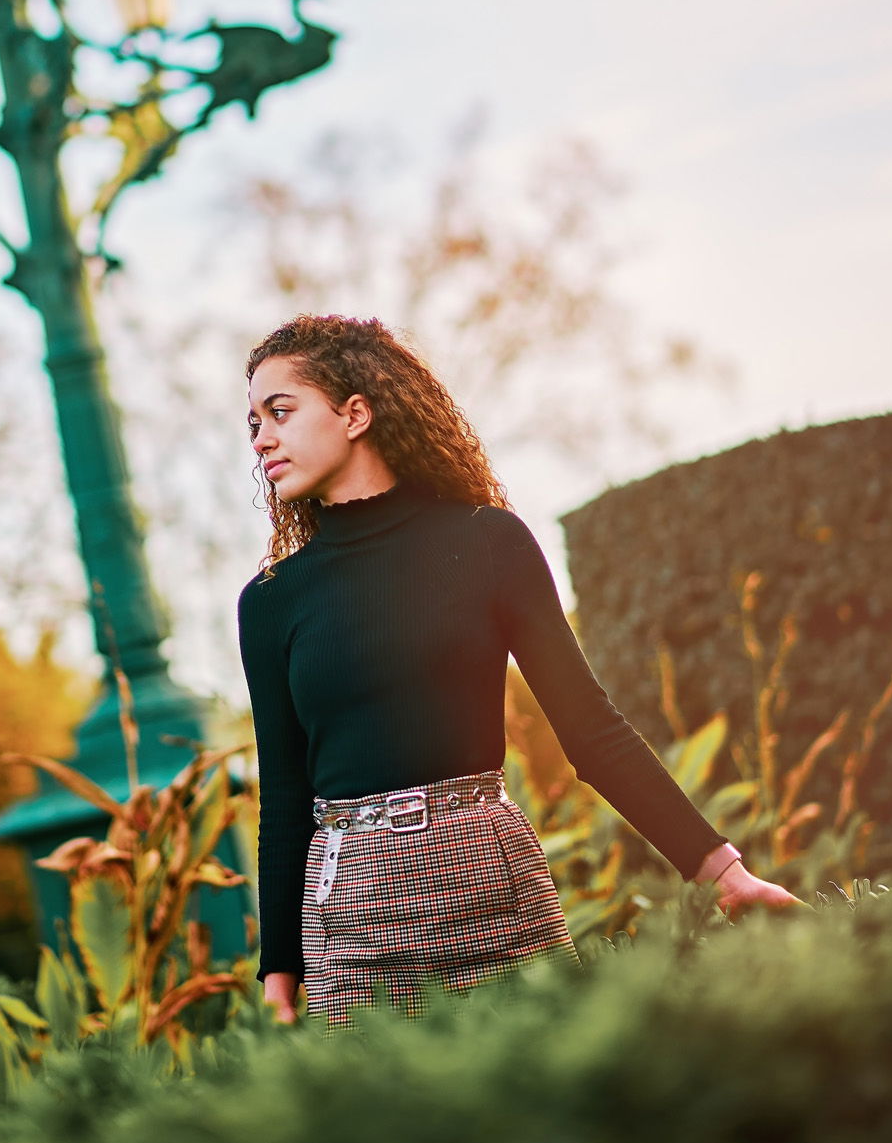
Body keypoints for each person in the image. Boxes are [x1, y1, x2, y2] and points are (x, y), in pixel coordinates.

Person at [237, 312, 803, 1028]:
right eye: (252, 422)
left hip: (495, 889)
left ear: (355, 413)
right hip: (351, 917)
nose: (260, 439)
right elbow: (285, 793)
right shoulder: (269, 601)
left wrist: (723, 873)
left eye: (278, 412)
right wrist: (279, 976)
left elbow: (591, 729)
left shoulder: (487, 543)